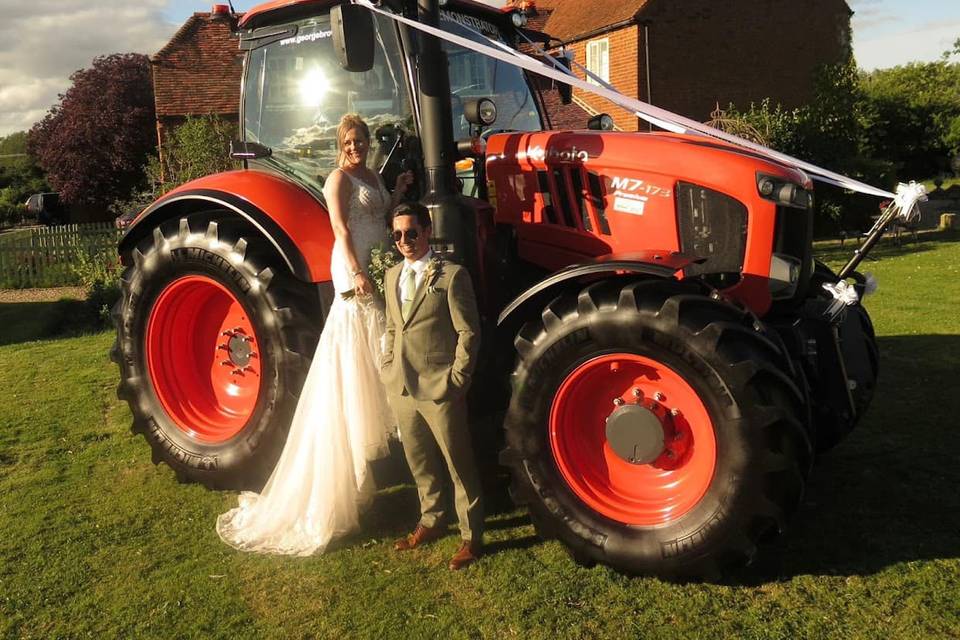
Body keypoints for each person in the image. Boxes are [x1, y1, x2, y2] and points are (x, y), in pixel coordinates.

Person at [216, 114, 414, 555]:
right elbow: (342, 229)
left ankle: (378, 461)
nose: (356, 146)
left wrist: (396, 192)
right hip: (356, 269)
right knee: (356, 360)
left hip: (378, 262)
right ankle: (346, 471)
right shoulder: (337, 179)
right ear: (340, 144)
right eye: (349, 141)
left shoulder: (370, 175)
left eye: (361, 139)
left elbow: (378, 217)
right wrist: (359, 273)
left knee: (379, 348)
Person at [380, 202, 485, 570]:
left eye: (411, 232)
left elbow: (468, 331)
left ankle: (471, 537)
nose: (404, 241)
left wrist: (458, 377)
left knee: (459, 464)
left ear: (426, 231)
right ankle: (431, 520)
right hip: (402, 387)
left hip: (441, 387)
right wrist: (388, 365)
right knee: (419, 461)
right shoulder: (392, 276)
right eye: (397, 235)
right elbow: (395, 327)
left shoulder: (452, 275)